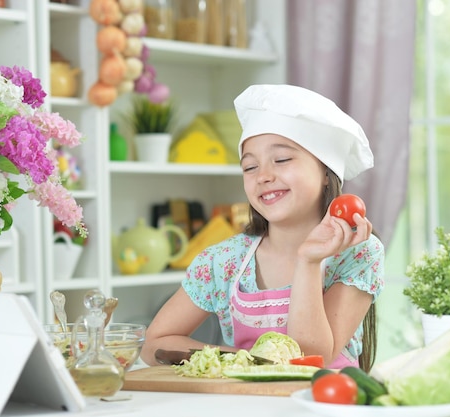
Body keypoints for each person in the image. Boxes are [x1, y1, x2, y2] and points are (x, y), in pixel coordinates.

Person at [140, 84, 385, 371]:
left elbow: (310, 358)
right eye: (249, 167)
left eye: (281, 160)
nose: (264, 176)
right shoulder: (222, 261)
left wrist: (309, 261)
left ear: (326, 174)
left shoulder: (358, 252)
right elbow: (154, 343)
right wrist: (240, 359)